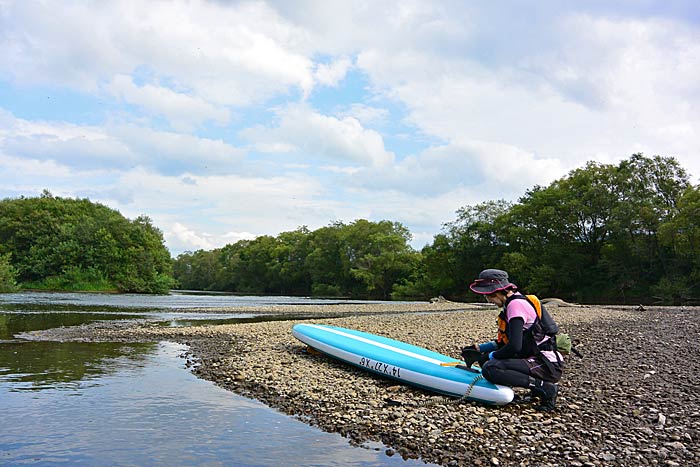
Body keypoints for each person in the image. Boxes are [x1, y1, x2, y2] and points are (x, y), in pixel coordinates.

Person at [462, 269, 563, 411]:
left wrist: (491, 356)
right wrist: (480, 349)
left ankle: (546, 388)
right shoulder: (514, 301)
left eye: (487, 296)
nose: (488, 300)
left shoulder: (515, 306)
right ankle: (532, 390)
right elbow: (507, 341)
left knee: (491, 367)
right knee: (486, 361)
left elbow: (515, 346)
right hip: (538, 359)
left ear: (495, 292)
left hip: (546, 364)